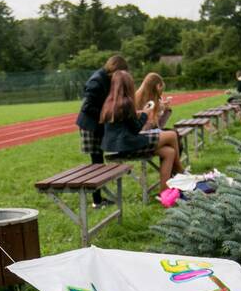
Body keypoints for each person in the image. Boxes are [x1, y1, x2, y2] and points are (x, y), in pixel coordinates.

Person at [101, 70, 183, 192]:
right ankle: (180, 171)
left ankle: (164, 192)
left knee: (169, 152)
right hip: (128, 144)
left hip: (116, 145)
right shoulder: (126, 102)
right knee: (171, 135)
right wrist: (145, 113)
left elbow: (124, 122)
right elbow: (136, 128)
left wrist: (139, 113)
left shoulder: (110, 102)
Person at [76, 55, 129, 208]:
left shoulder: (106, 78)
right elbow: (87, 107)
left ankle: (98, 199)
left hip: (98, 125)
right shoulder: (96, 81)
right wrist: (106, 113)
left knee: (99, 163)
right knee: (96, 164)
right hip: (90, 127)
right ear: (114, 68)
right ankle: (96, 201)